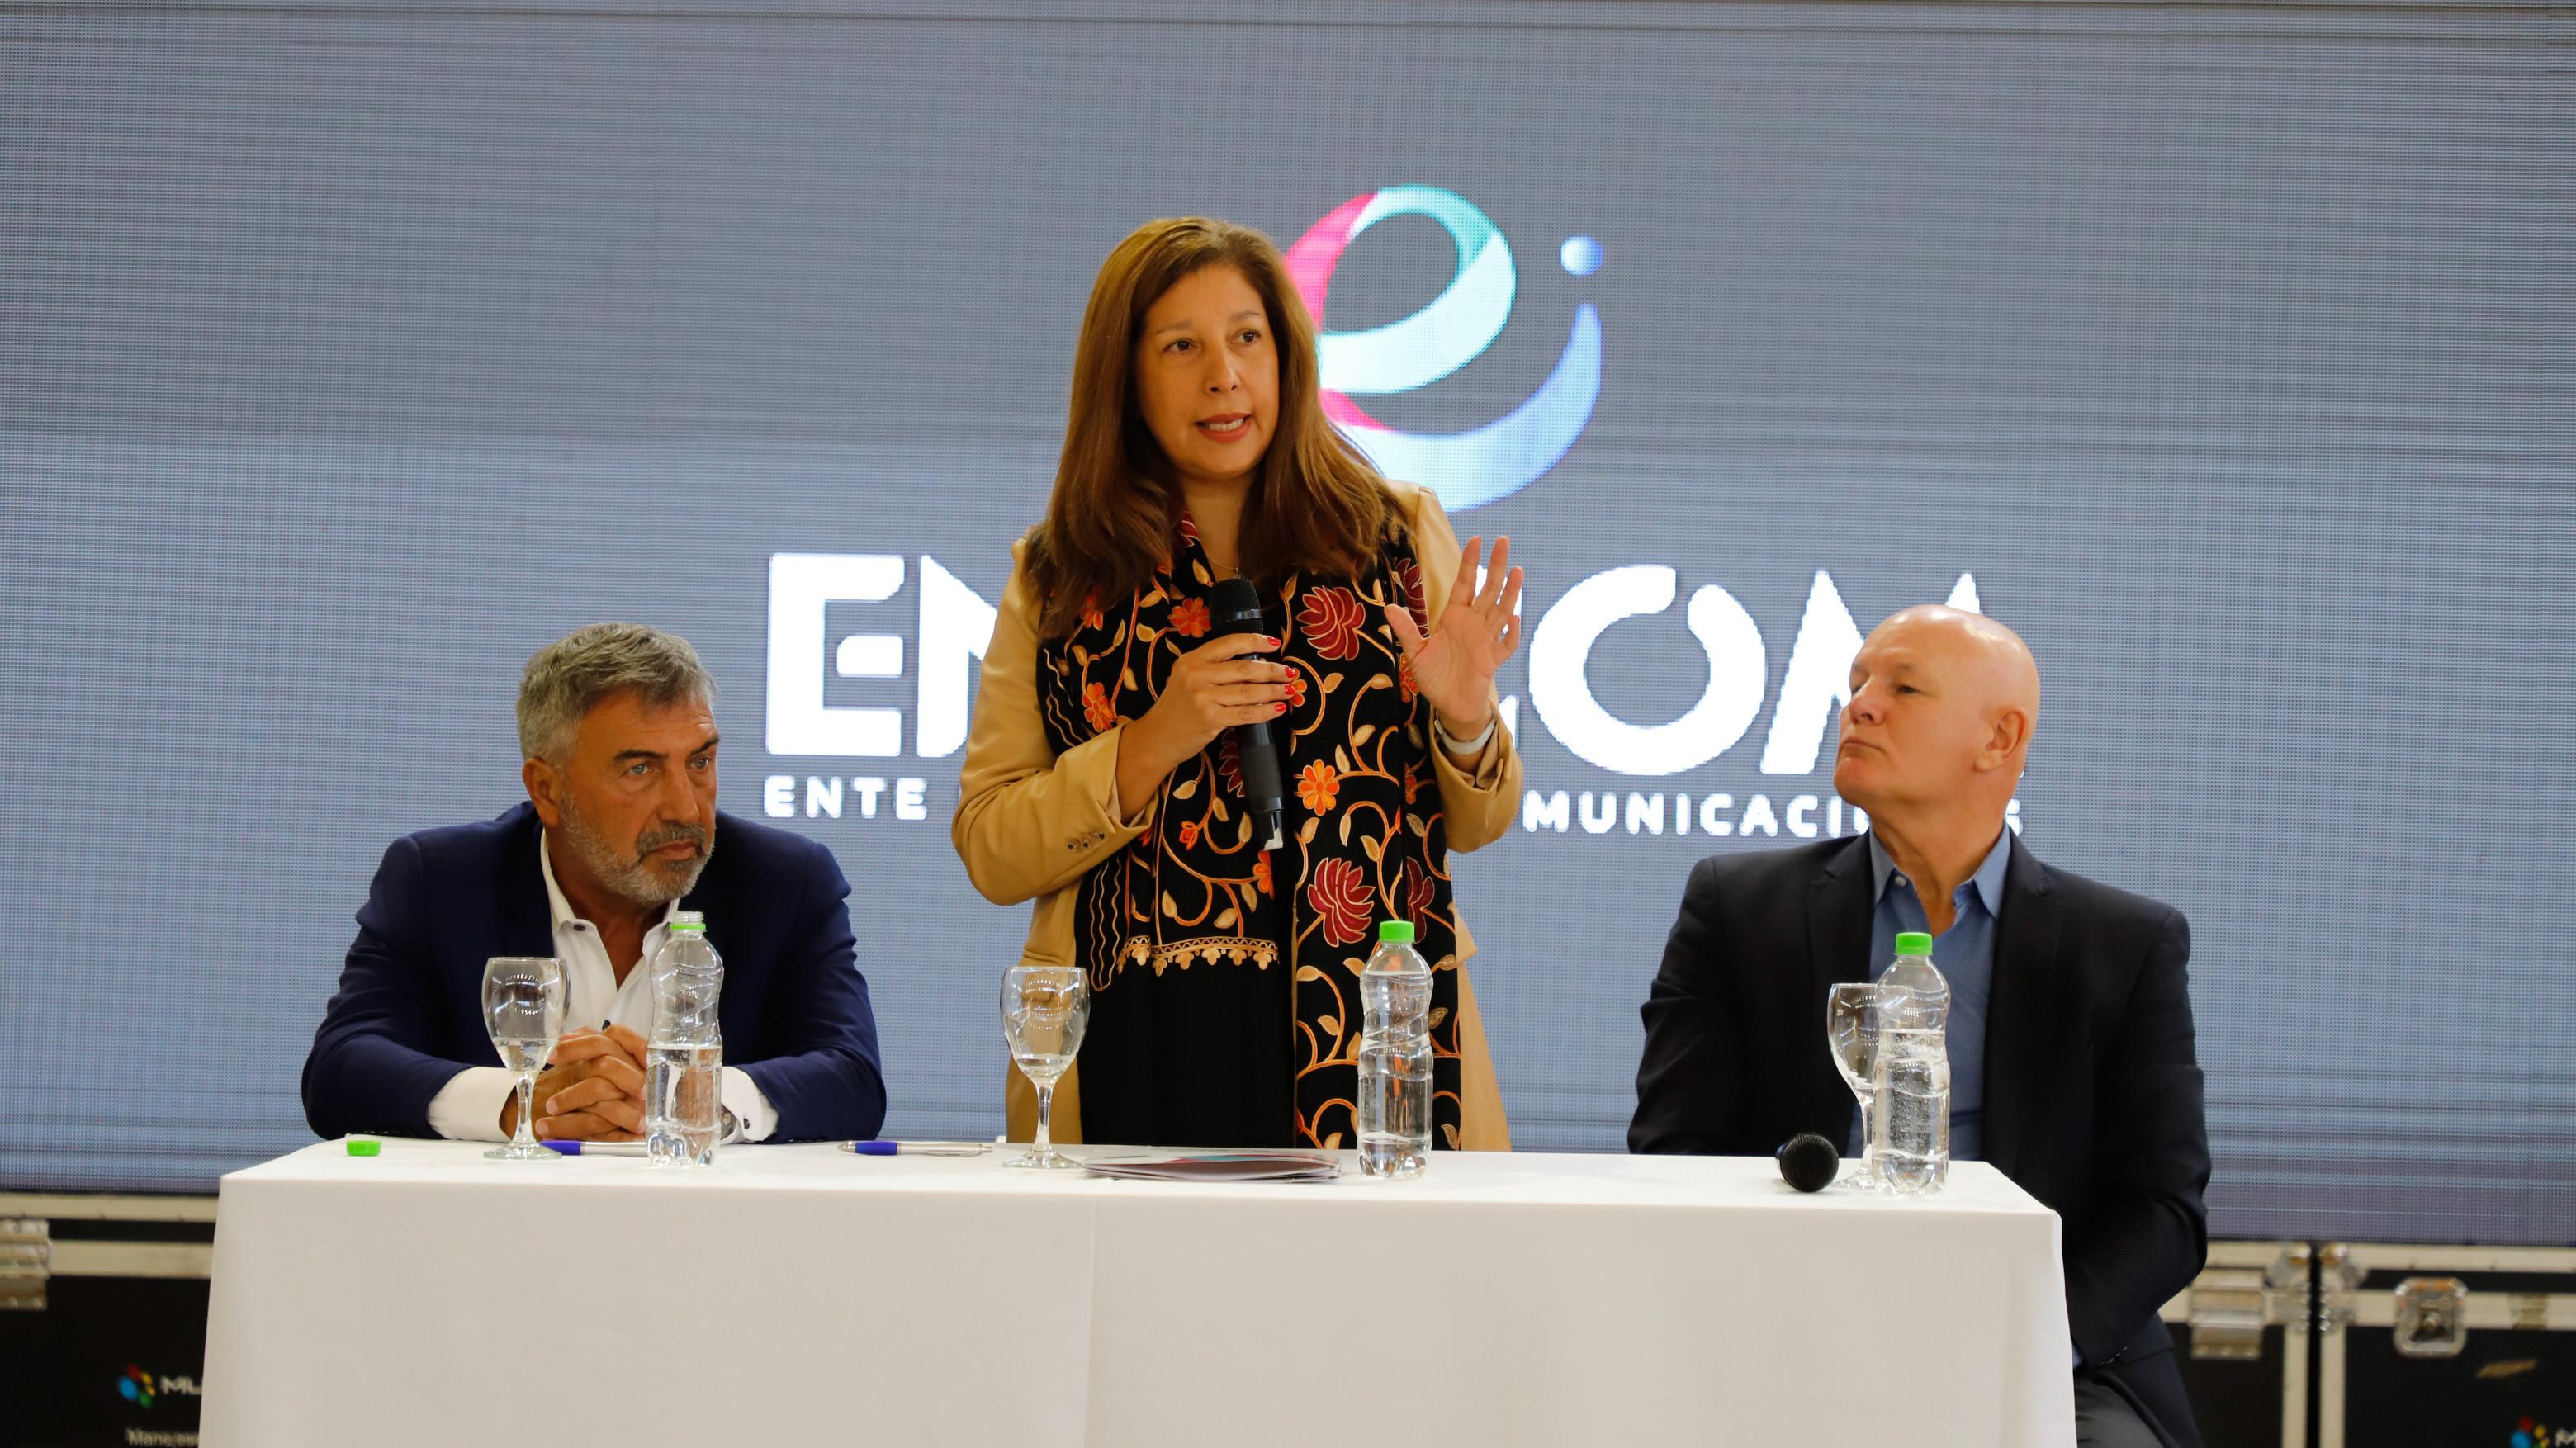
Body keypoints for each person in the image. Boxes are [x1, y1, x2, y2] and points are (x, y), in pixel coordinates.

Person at [954, 215, 1526, 1152]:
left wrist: (1466, 724)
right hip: (1137, 1043)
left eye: (1247, 338)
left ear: (1286, 358)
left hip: (1370, 1033)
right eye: (1182, 347)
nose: (1224, 375)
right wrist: (1151, 742)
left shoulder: (1391, 537)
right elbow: (991, 847)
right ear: (1125, 377)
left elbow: (1478, 821)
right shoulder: (1059, 577)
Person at [1628, 606, 2209, 1448]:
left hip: (2051, 1355)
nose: (1859, 705)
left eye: (1903, 688)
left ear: (1999, 739)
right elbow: (1676, 1154)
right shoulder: (1738, 908)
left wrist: (2033, 1345)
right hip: (1783, 1343)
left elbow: (2162, 1209)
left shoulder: (2123, 944)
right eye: (1857, 683)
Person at [303, 623, 886, 1144]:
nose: (685, 807)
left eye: (700, 763)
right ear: (547, 790)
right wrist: (523, 1104)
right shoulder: (443, 880)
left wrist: (694, 1097)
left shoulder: (784, 881)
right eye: (640, 769)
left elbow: (853, 1079)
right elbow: (341, 1070)